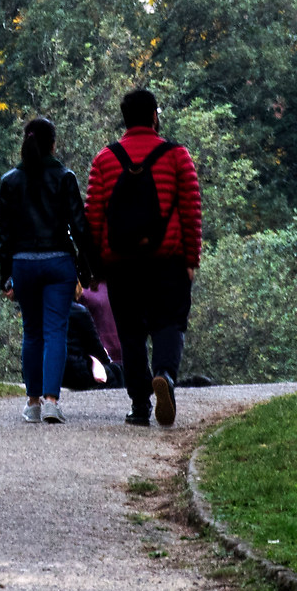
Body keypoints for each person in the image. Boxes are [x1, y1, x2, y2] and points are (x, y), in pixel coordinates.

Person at [86, 88, 201, 427]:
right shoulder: (177, 156)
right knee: (169, 323)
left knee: (130, 334)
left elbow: (93, 217)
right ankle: (164, 374)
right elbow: (192, 211)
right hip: (167, 262)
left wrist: (94, 268)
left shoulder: (105, 160)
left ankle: (139, 406)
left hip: (121, 265)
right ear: (154, 116)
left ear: (125, 118)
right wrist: (190, 259)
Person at [0, 116, 93, 424]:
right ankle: (52, 402)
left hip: (24, 264)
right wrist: (84, 268)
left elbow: (4, 236)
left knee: (32, 333)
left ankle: (33, 402)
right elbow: (79, 227)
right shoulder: (65, 177)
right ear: (54, 144)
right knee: (55, 332)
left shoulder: (10, 181)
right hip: (58, 264)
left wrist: (5, 276)